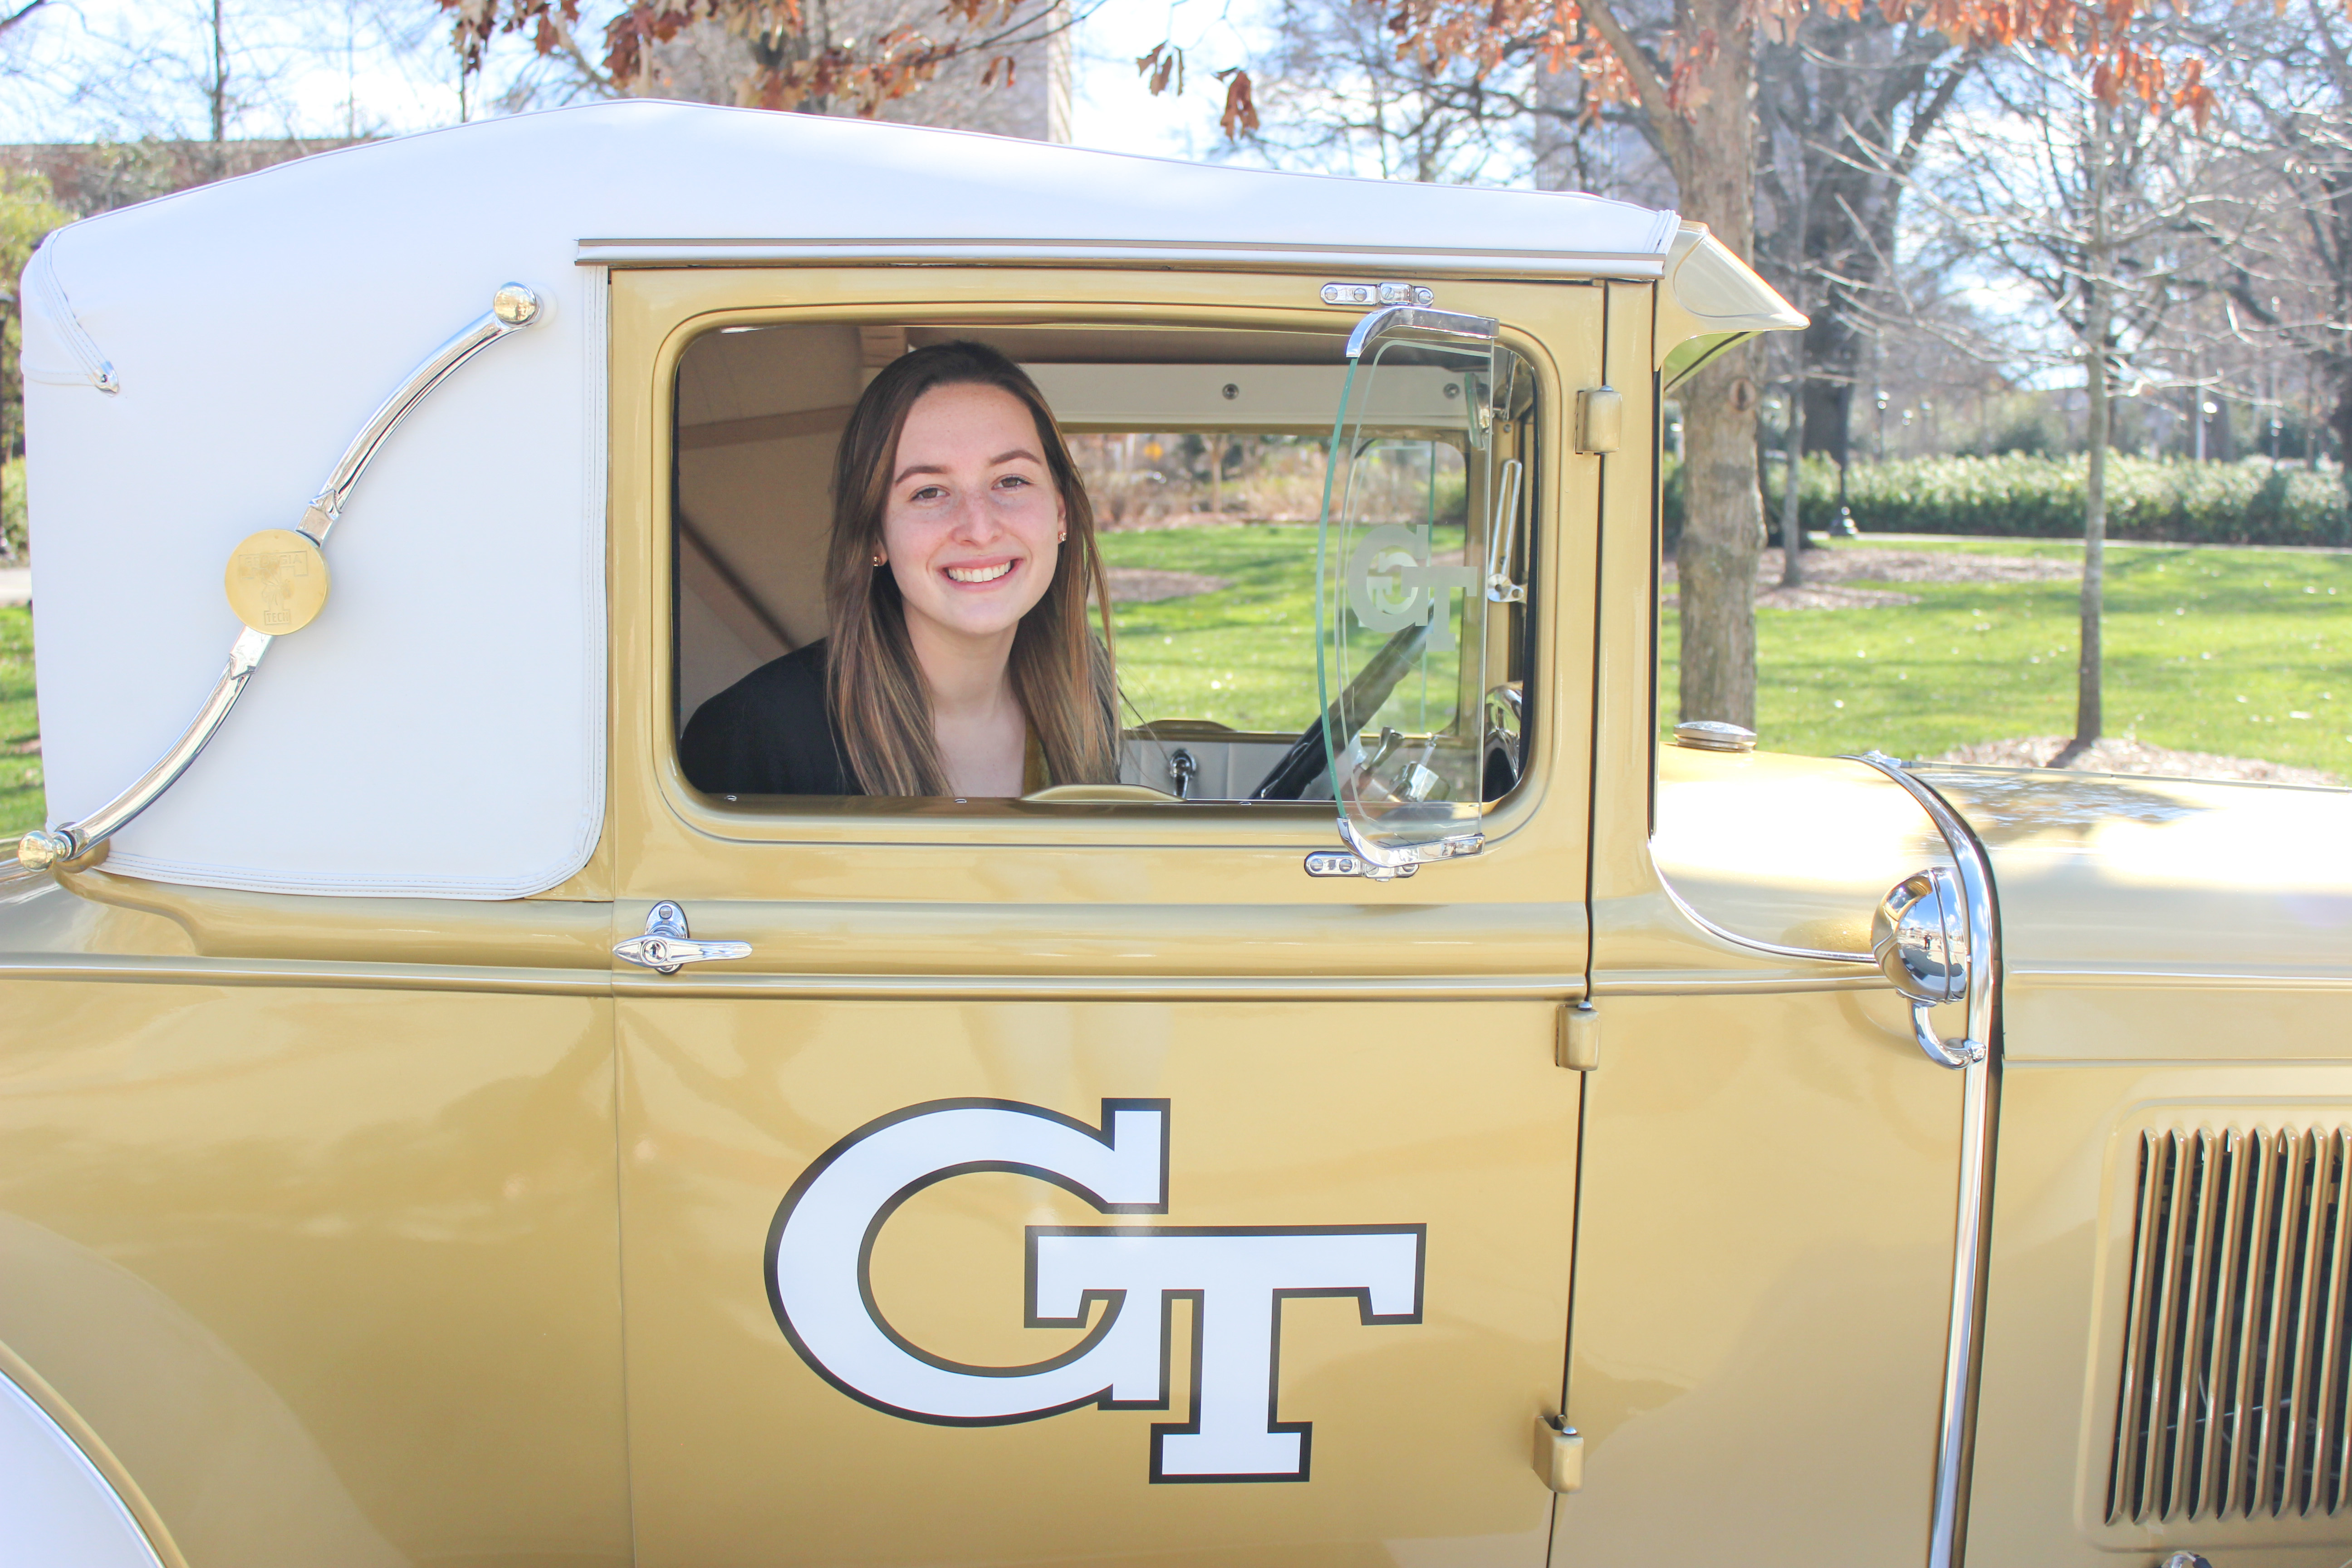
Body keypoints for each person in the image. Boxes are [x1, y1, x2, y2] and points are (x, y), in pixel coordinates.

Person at [681, 340, 1120, 798]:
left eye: (1011, 480)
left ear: (1062, 513)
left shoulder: (1084, 698)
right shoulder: (756, 735)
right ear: (874, 533)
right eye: (929, 492)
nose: (979, 527)